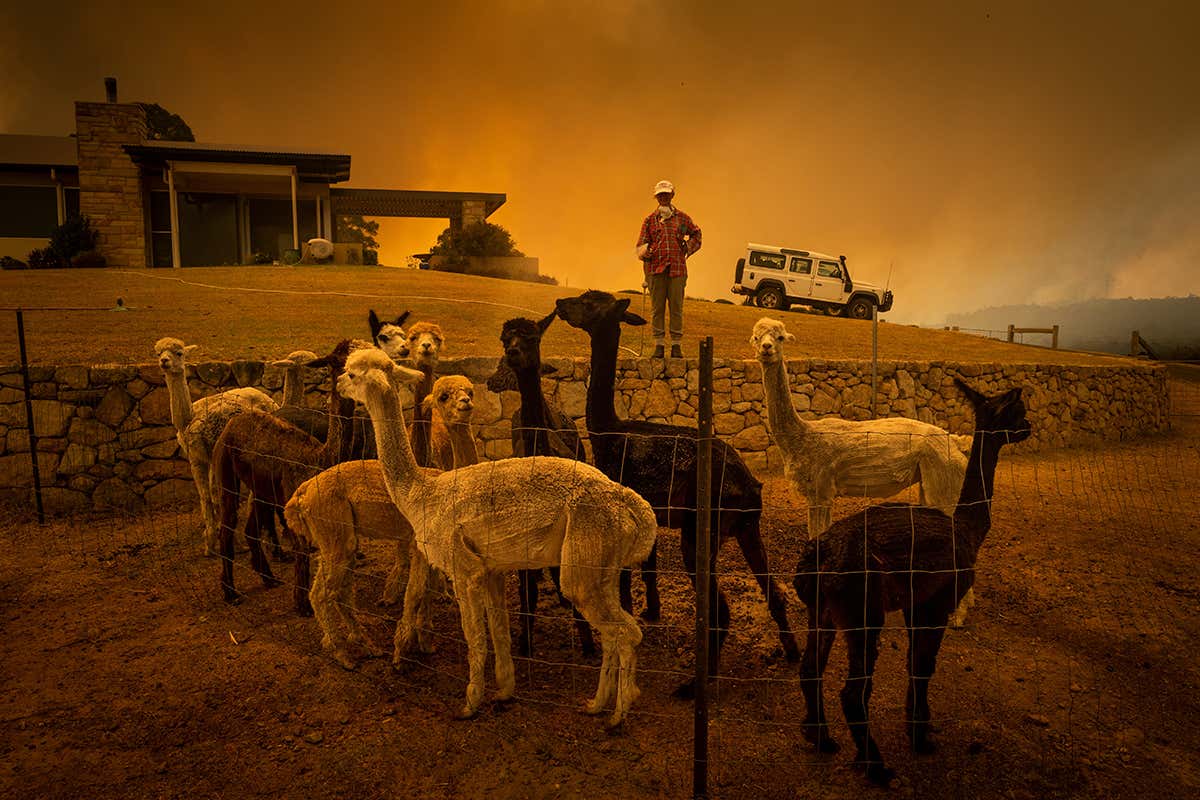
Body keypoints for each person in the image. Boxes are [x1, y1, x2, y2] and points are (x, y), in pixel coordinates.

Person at [637, 179, 701, 359]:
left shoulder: (683, 218)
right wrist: (646, 252)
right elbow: (641, 244)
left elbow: (697, 233)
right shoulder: (650, 220)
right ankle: (658, 345)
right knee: (657, 308)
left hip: (678, 269)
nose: (663, 197)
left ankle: (676, 346)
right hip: (655, 269)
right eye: (660, 195)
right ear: (656, 198)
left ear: (672, 195)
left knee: (676, 308)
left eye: (666, 194)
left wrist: (688, 247)